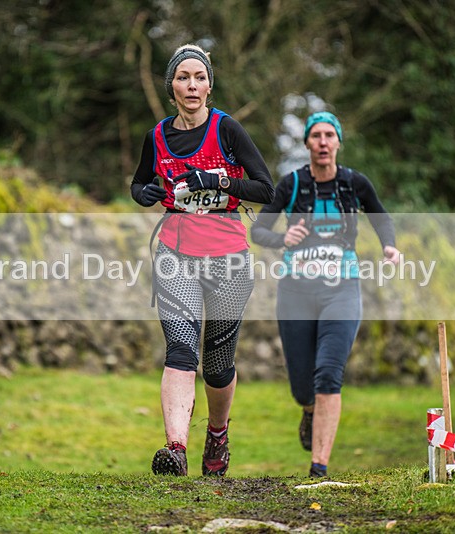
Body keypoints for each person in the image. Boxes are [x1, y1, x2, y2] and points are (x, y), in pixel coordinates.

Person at [130, 44, 274, 476]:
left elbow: (267, 189)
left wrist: (218, 179)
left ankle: (217, 431)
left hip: (229, 259)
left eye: (199, 77)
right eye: (182, 77)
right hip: (175, 255)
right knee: (180, 348)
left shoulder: (227, 130)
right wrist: (146, 195)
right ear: (171, 86)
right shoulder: (157, 136)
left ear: (210, 85)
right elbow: (138, 184)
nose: (191, 85)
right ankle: (175, 448)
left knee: (216, 365)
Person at [251, 111, 400, 478]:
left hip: (342, 291)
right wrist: (283, 239)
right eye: (315, 135)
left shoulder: (354, 184)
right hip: (296, 293)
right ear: (306, 144)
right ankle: (307, 410)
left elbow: (381, 218)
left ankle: (319, 468)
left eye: (329, 135)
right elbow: (258, 232)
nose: (322, 142)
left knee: (329, 376)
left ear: (338, 142)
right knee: (304, 387)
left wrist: (390, 248)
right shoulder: (291, 185)